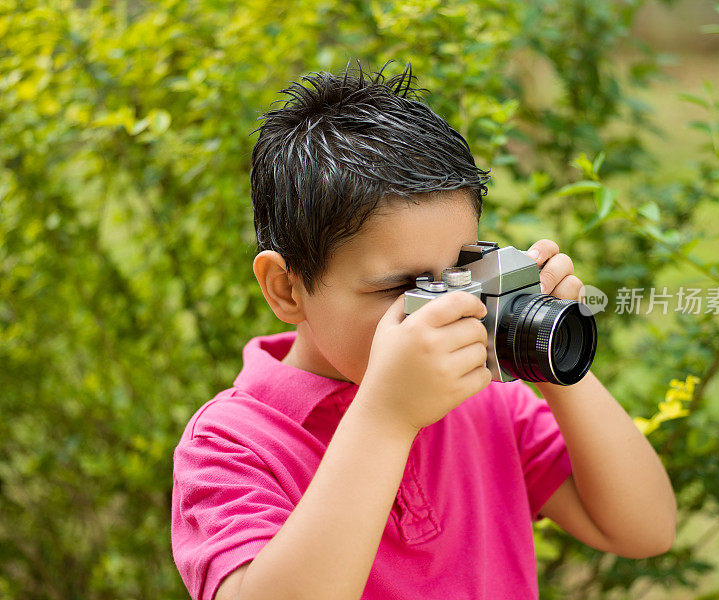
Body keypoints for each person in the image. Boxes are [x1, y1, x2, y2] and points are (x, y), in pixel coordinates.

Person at [170, 62, 677, 600]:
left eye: (461, 273)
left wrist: (552, 363)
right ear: (286, 289)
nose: (447, 310)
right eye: (401, 286)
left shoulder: (483, 400)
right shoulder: (232, 446)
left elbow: (644, 528)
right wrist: (388, 416)